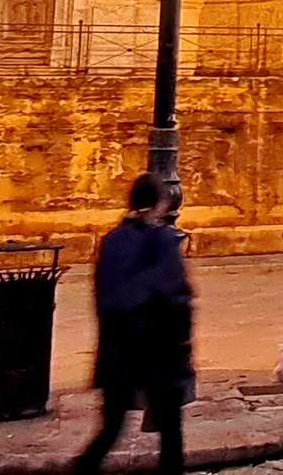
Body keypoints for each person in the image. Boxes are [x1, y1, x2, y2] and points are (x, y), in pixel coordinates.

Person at [73, 173, 194, 475]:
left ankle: (82, 469)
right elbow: (176, 293)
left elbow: (102, 296)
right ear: (158, 204)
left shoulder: (111, 242)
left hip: (118, 352)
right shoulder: (163, 240)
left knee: (111, 428)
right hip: (159, 351)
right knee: (170, 433)